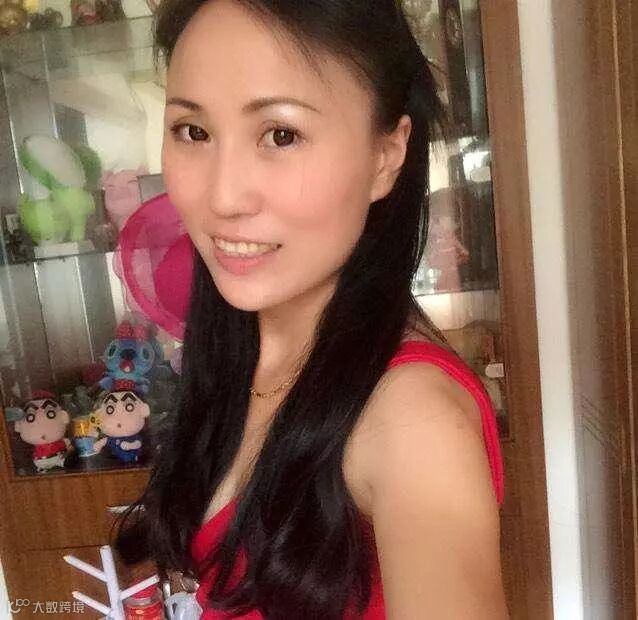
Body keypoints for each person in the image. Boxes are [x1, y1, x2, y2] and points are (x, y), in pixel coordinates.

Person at [115, 0, 508, 618]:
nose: (223, 197)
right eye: (193, 132)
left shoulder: (412, 421)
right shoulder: (250, 346)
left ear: (387, 155)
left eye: (281, 135)